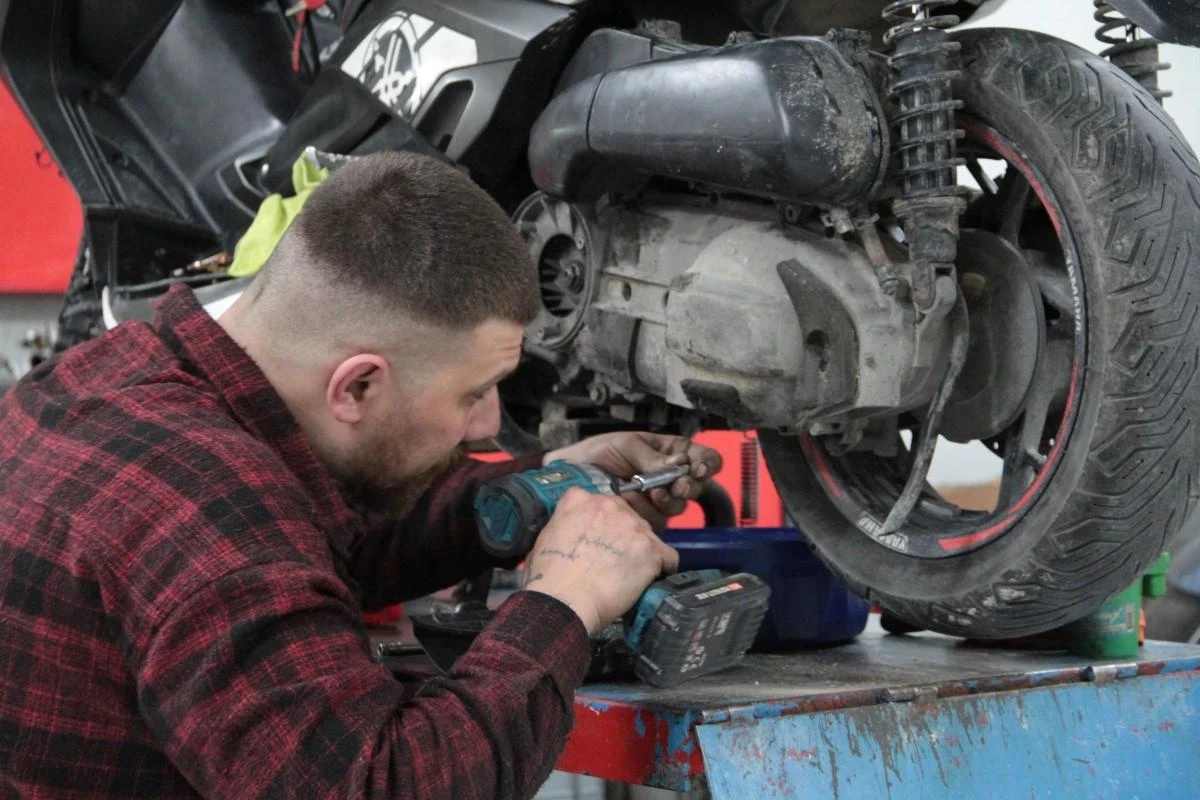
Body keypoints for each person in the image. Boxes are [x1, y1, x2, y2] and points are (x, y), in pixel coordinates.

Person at [0, 152, 721, 799]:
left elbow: (310, 550)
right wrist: (564, 603)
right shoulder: (209, 515)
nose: (486, 422)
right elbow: (386, 783)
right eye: (472, 394)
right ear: (355, 388)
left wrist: (538, 486)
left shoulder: (113, 378)